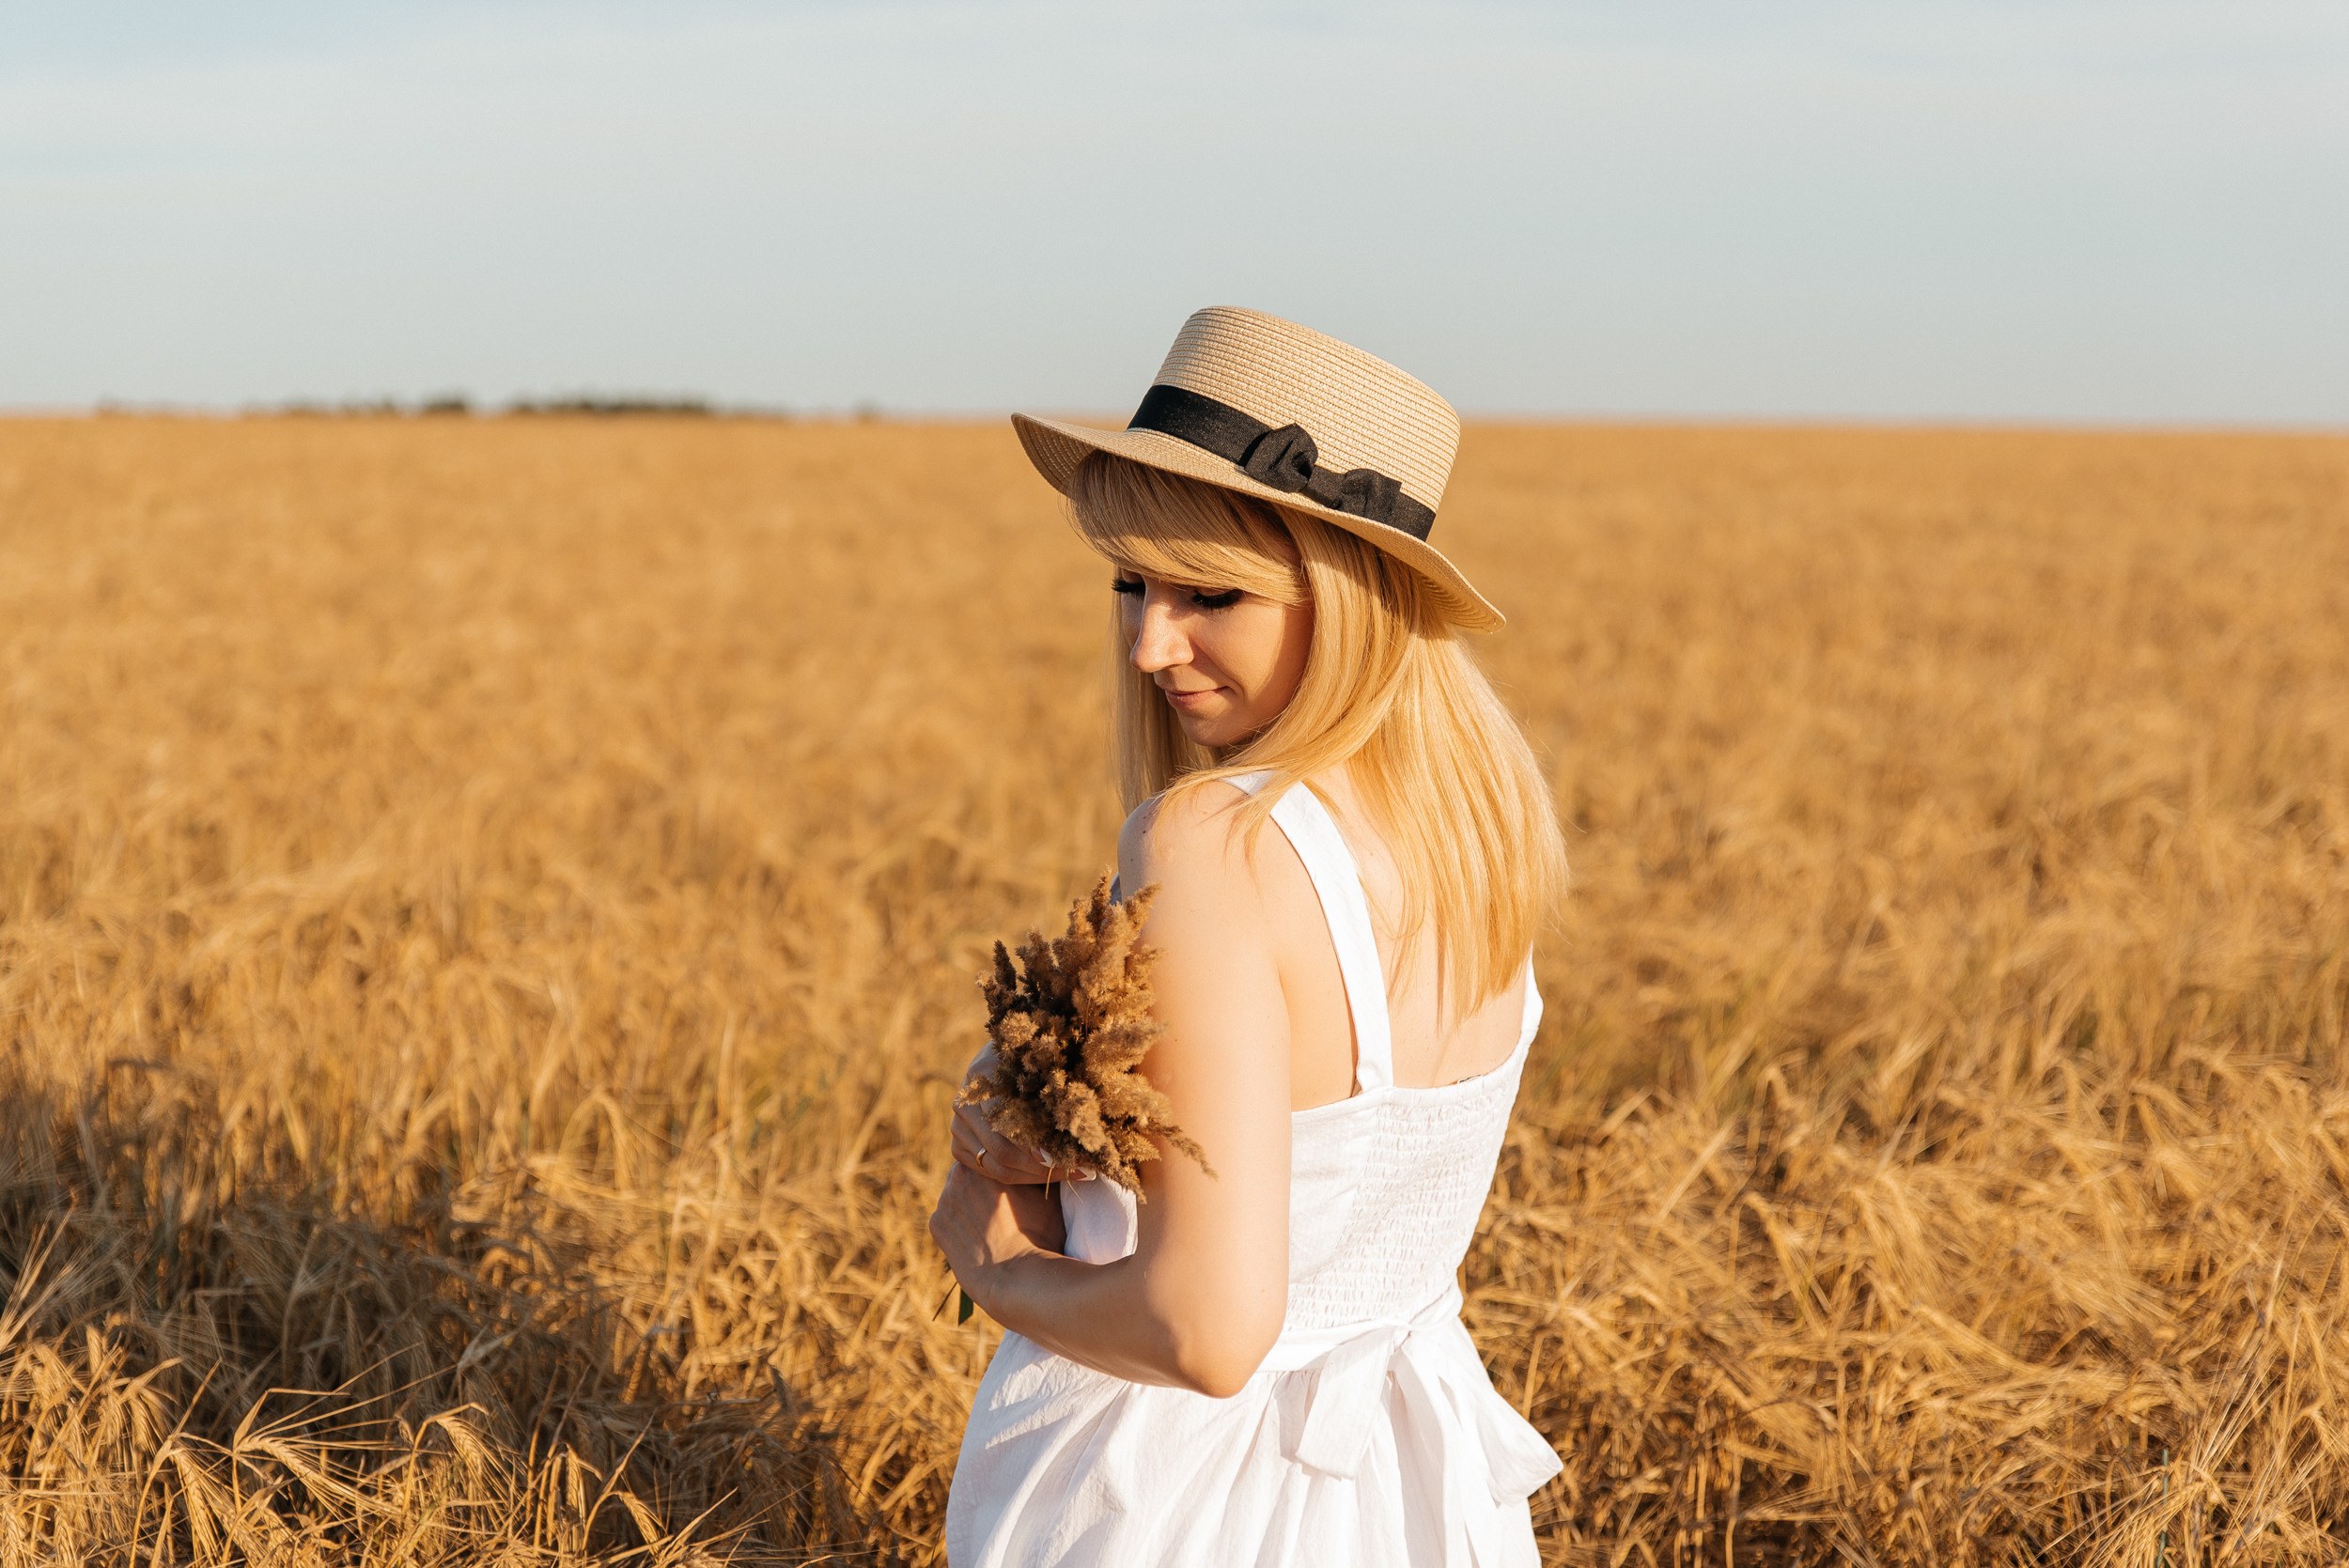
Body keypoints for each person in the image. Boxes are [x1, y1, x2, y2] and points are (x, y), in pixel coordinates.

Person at [929, 306, 1567, 1566]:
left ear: (1344, 591)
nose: (1148, 642)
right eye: (1129, 581)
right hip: (1413, 1490)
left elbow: (1210, 1328)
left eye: (1209, 592)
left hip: (1185, 1502)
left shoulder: (1210, 841)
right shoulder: (1477, 832)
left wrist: (993, 1256)